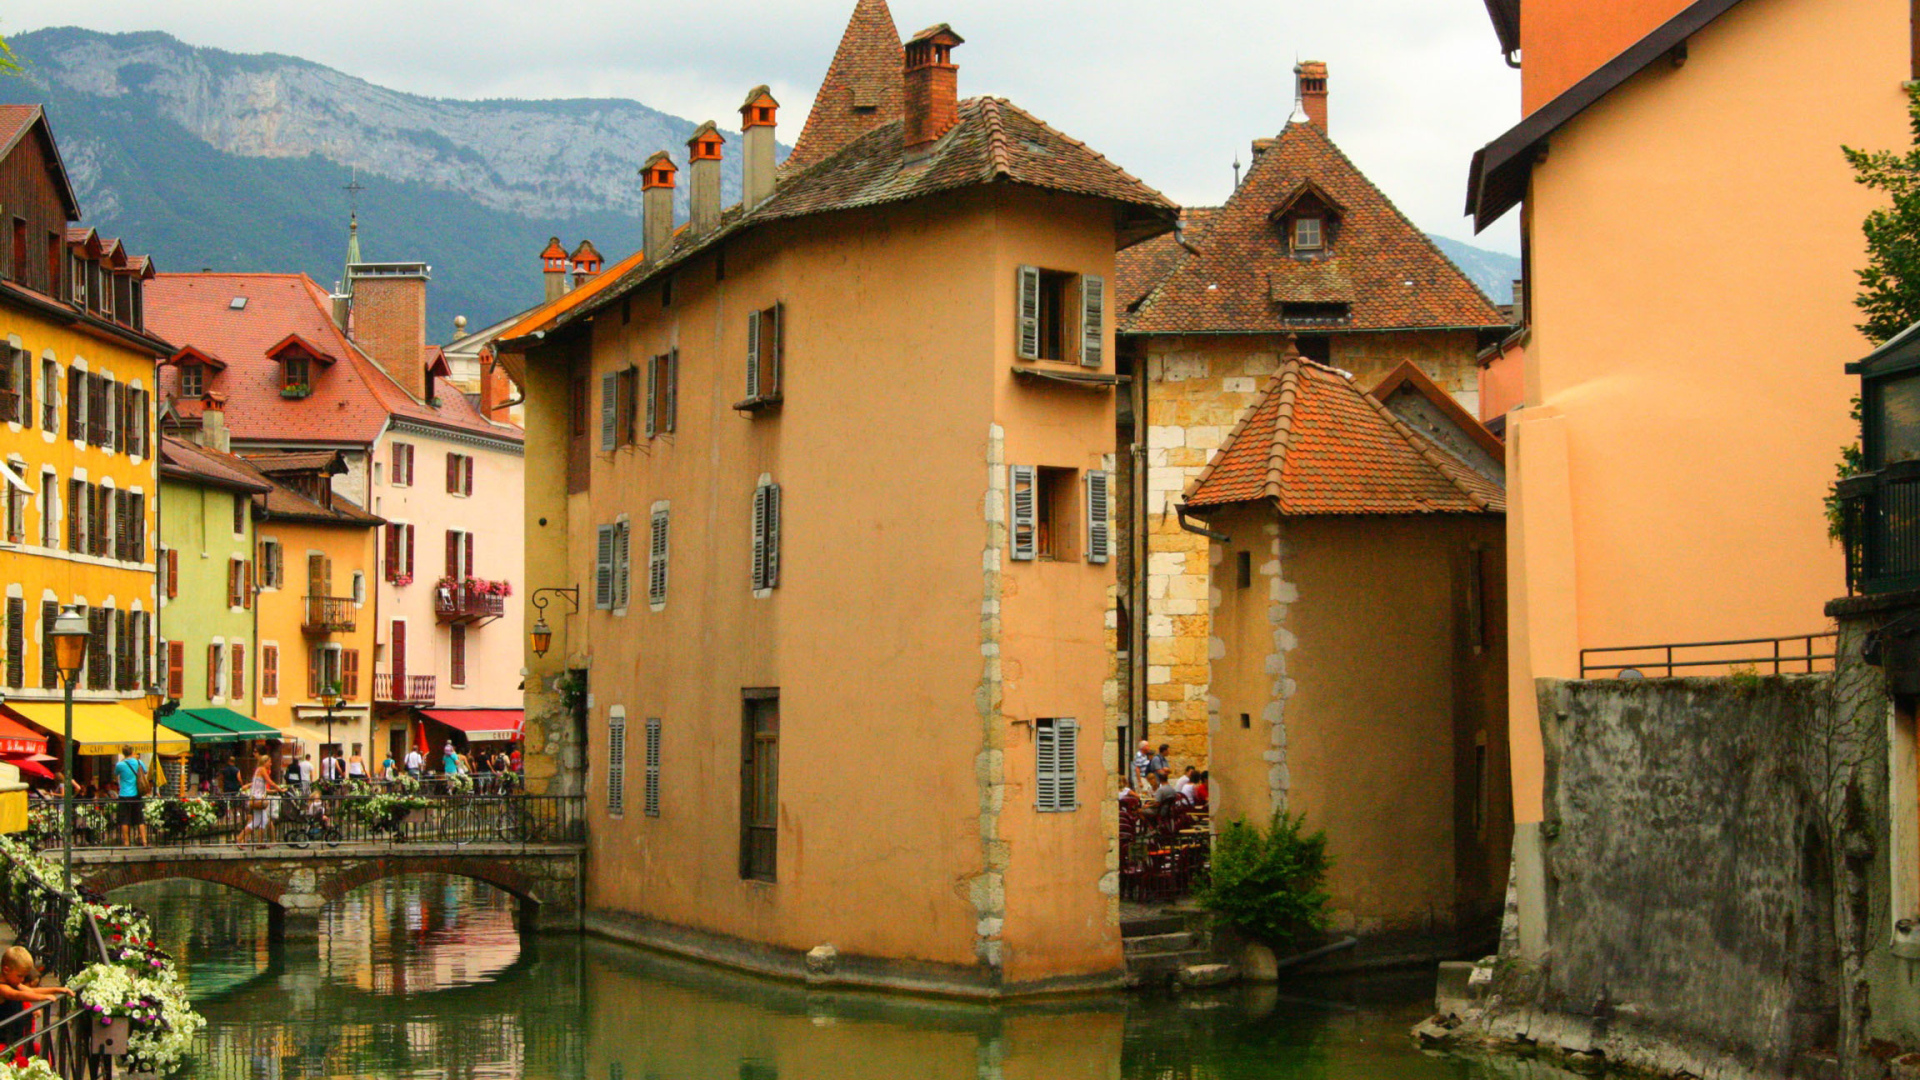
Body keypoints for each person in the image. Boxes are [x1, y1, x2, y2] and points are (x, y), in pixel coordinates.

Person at [0, 946, 71, 1065]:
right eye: (20, 976)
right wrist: (42, 998)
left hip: (16, 1040)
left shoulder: (14, 982)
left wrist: (57, 989)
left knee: (40, 1053)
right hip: (3, 1042)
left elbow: (30, 991)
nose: (22, 980)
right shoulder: (2, 987)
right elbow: (17, 995)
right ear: (6, 970)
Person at [237, 754, 282, 846]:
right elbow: (270, 781)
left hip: (256, 797)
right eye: (269, 762)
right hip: (258, 798)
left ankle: (249, 840)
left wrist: (273, 790)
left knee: (258, 821)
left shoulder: (258, 770)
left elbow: (258, 786)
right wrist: (280, 789)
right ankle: (240, 838)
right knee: (262, 820)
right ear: (265, 762)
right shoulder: (262, 769)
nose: (271, 764)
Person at [113, 746, 147, 847]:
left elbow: (116, 774)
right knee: (140, 819)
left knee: (124, 820)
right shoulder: (139, 762)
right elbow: (144, 772)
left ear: (123, 753)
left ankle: (126, 842)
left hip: (124, 795)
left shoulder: (120, 764)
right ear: (132, 752)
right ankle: (144, 841)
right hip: (136, 794)